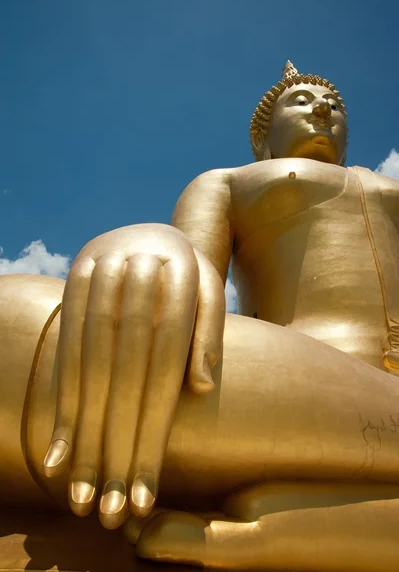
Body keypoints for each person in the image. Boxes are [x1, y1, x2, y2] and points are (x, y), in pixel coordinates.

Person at [1, 61, 399, 570]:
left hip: (357, 413)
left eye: (334, 106)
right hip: (307, 384)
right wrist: (150, 247)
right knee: (13, 324)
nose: (322, 107)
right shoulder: (231, 180)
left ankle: (281, 533)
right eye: (298, 101)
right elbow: (192, 281)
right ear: (262, 140)